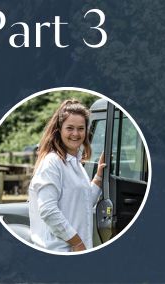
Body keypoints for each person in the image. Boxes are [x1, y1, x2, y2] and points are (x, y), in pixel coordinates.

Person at [26, 98, 105, 252]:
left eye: (81, 128)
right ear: (59, 130)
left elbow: (84, 203)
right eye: (70, 128)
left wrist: (99, 176)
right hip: (59, 250)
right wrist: (76, 243)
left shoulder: (75, 164)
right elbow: (48, 210)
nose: (76, 133)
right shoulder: (52, 163)